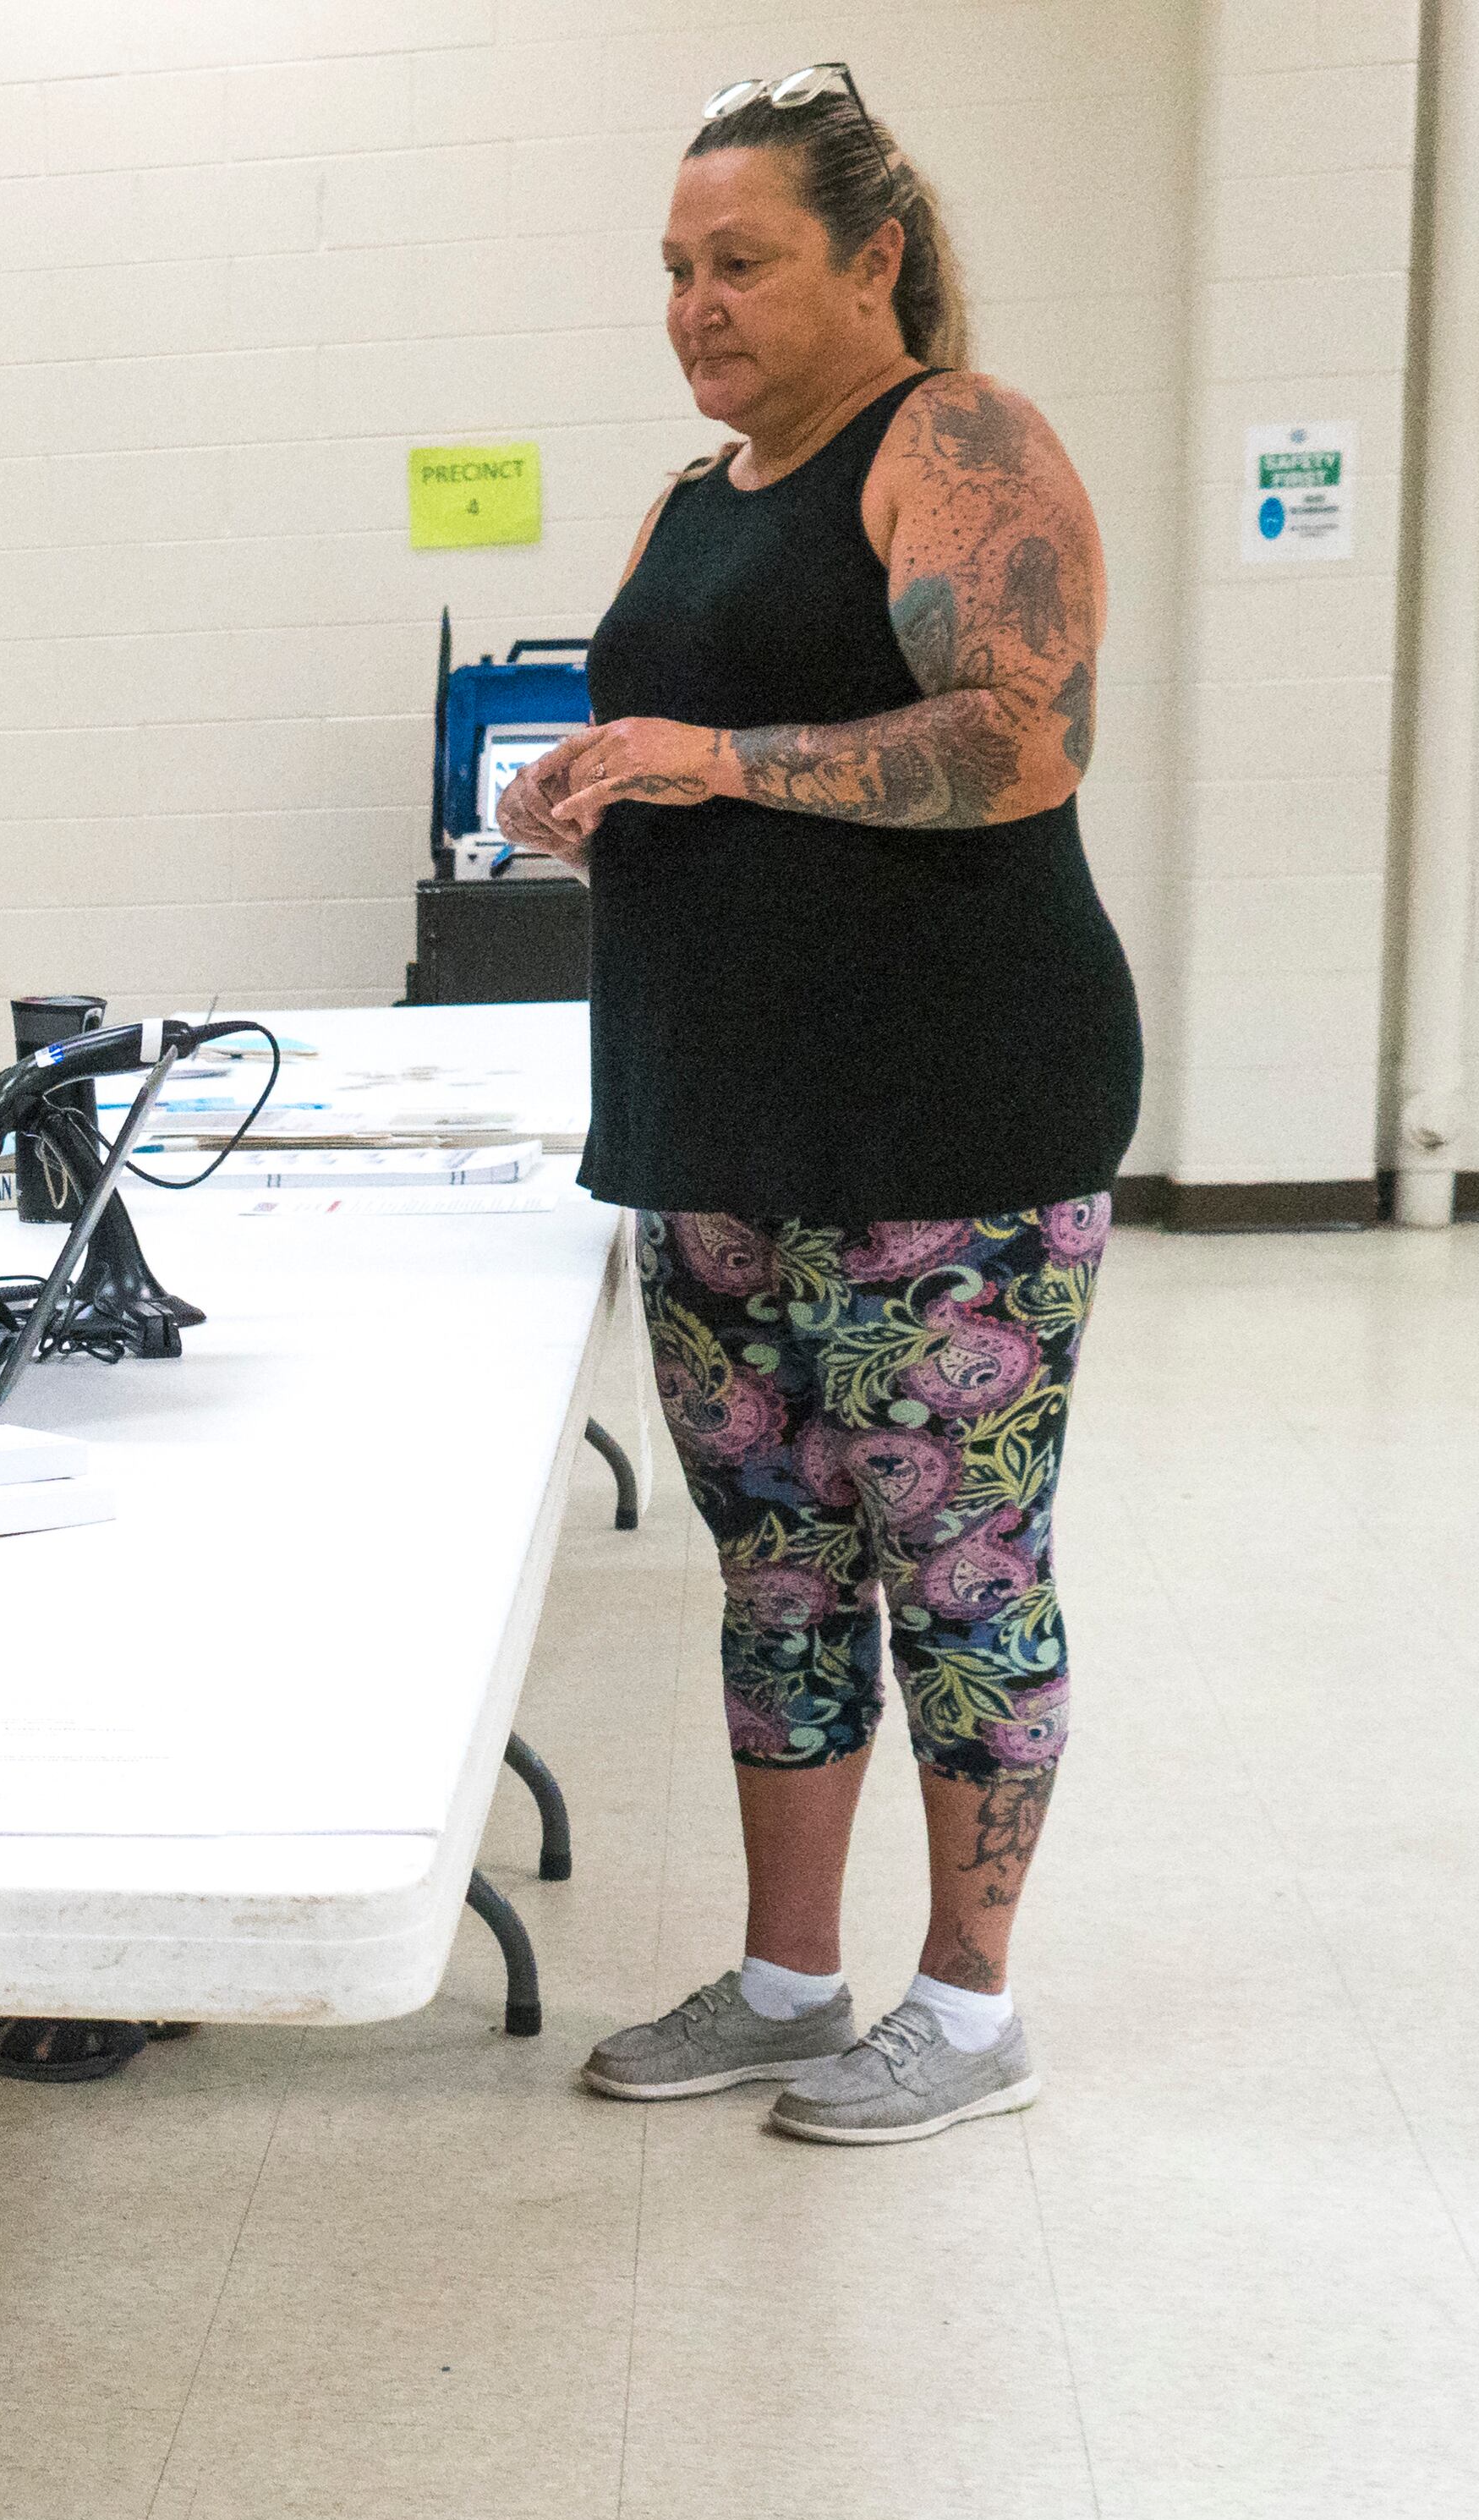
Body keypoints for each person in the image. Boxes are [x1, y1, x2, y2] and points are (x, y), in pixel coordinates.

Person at [496, 65, 1142, 2147]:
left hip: (945, 1111)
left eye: (742, 259)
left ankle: (968, 2010)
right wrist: (595, 794)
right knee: (773, 1558)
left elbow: (1013, 743)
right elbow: (695, 761)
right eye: (675, 267)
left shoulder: (953, 439)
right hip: (719, 1112)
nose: (694, 302)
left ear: (872, 257)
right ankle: (791, 1979)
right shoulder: (693, 500)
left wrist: (713, 759)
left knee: (953, 1560)